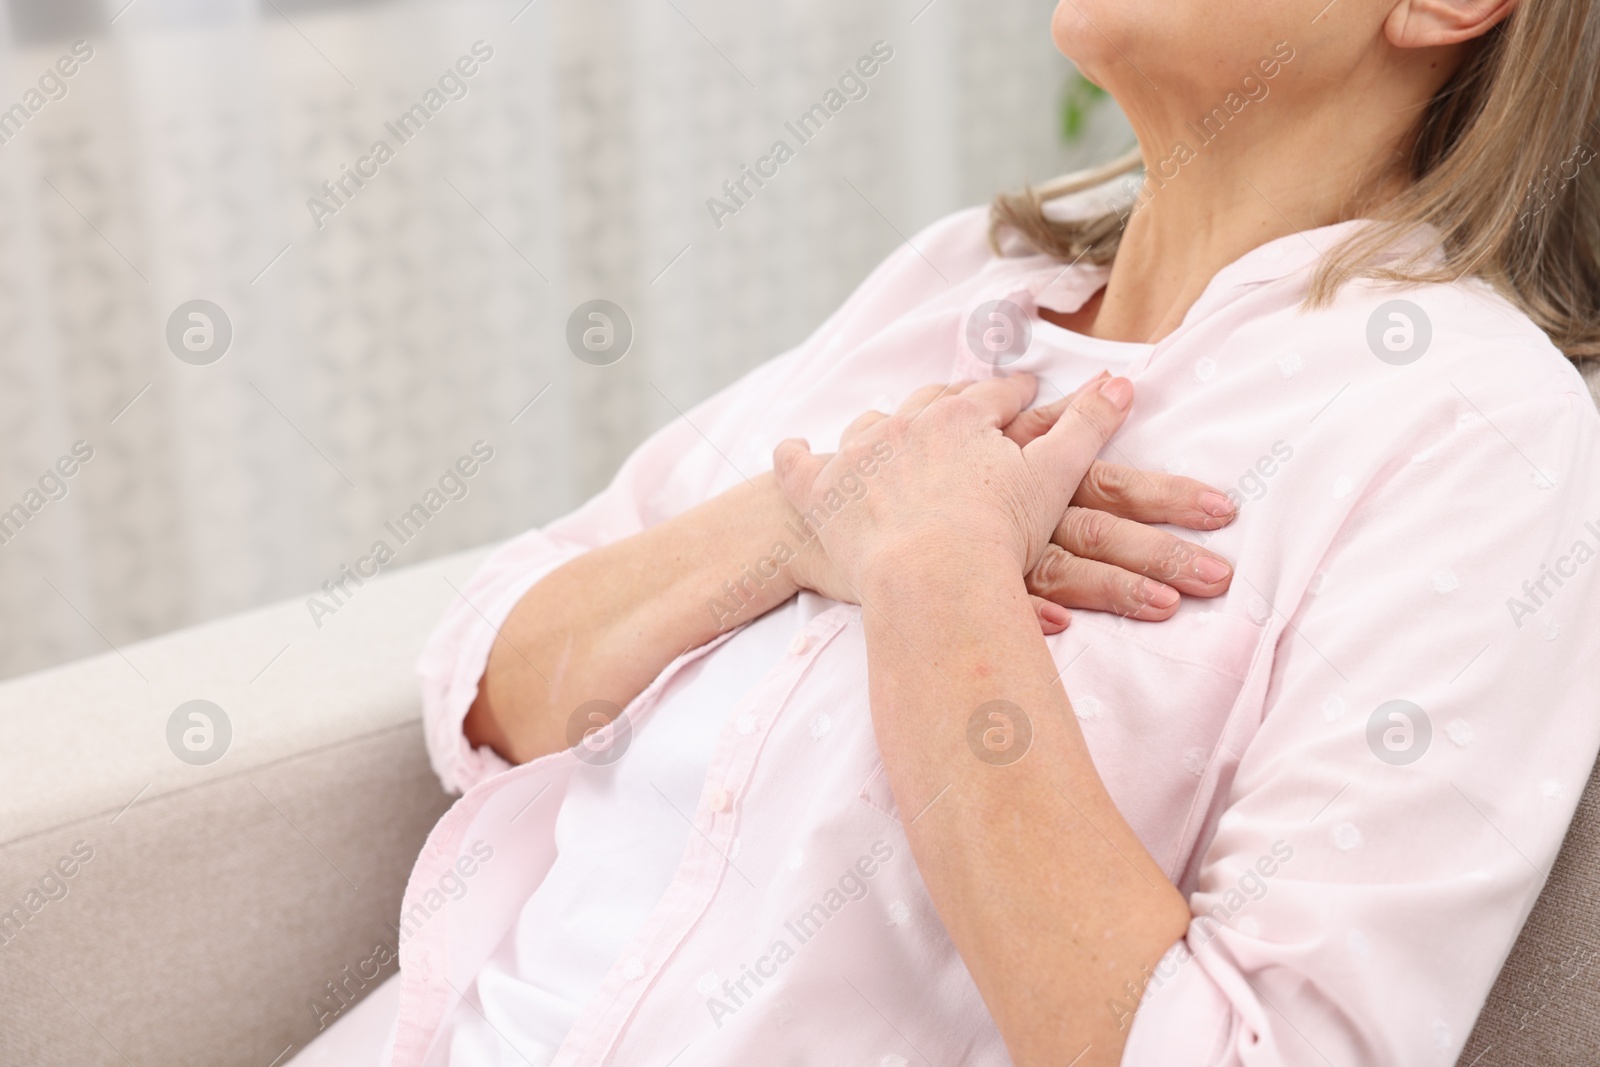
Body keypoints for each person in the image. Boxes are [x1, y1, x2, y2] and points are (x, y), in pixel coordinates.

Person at [293, 0, 1600, 1063]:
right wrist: (808, 522)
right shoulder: (958, 281)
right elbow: (488, 684)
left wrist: (938, 582)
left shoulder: (1469, 431)